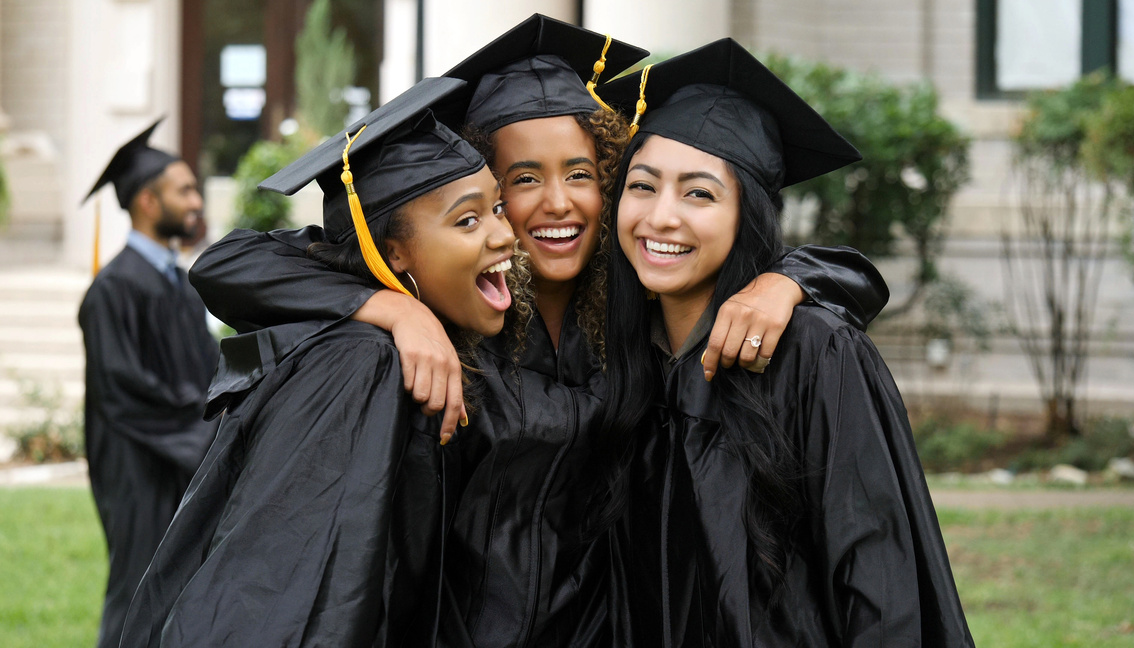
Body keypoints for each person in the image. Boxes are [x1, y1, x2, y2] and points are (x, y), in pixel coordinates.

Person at [181, 16, 888, 646]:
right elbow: (233, 263)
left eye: (580, 174)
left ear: (608, 179)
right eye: (522, 180)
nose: (559, 203)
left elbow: (798, 266)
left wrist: (786, 280)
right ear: (485, 193)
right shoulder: (457, 314)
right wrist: (396, 311)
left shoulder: (630, 304)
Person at [595, 39, 974, 646]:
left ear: (749, 214)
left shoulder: (815, 352)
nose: (661, 217)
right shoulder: (622, 357)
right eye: (642, 186)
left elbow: (878, 579)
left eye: (699, 193)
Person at [119, 77, 518, 647]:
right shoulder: (363, 365)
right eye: (468, 220)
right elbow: (292, 601)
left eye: (497, 208)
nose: (506, 235)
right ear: (393, 252)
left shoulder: (419, 338)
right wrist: (396, 312)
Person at [77, 119, 220, 648]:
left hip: (184, 458)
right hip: (140, 468)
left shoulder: (179, 285)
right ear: (146, 201)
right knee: (138, 598)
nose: (195, 201)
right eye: (183, 189)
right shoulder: (112, 290)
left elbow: (209, 370)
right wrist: (205, 426)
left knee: (187, 594)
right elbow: (123, 390)